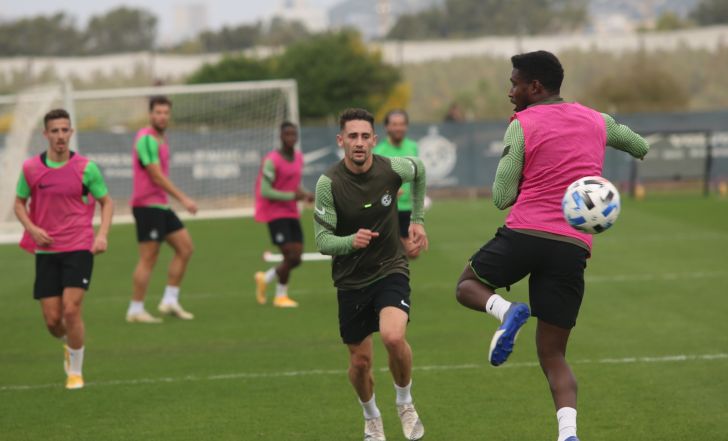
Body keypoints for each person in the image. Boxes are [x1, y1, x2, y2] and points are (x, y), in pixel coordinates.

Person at [454, 50, 650, 441]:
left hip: (525, 233)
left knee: (467, 286)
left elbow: (501, 196)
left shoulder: (522, 123)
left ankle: (507, 311)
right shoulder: (596, 119)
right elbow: (640, 146)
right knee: (553, 354)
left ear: (535, 86)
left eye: (514, 84)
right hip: (572, 245)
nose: (510, 92)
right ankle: (568, 434)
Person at [314, 108, 429, 441]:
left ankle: (405, 402)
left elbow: (420, 170)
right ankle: (371, 417)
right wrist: (350, 241)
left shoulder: (391, 168)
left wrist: (417, 219)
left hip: (390, 268)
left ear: (374, 140)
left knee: (393, 336)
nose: (359, 143)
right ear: (341, 140)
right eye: (353, 136)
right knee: (360, 363)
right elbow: (322, 241)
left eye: (365, 136)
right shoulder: (328, 184)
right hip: (351, 281)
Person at [14, 109, 114, 390]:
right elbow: (19, 203)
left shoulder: (86, 168)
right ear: (45, 134)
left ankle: (76, 373)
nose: (60, 136)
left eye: (64, 130)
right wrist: (32, 229)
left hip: (79, 246)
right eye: (55, 131)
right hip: (46, 250)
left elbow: (107, 202)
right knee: (52, 321)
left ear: (71, 132)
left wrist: (102, 235)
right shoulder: (31, 168)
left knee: (71, 310)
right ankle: (70, 346)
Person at [126, 96, 197, 323]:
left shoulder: (160, 139)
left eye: (166, 113)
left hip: (160, 205)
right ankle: (135, 309)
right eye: (158, 112)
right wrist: (183, 199)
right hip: (147, 206)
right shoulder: (146, 139)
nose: (162, 117)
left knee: (185, 248)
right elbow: (155, 176)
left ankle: (170, 300)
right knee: (148, 258)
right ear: (150, 115)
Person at [253, 121, 314, 308]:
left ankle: (266, 279)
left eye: (293, 134)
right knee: (290, 256)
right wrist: (292, 196)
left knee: (297, 257)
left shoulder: (299, 158)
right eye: (287, 134)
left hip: (292, 212)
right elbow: (265, 191)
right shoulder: (271, 160)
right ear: (280, 136)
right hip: (275, 213)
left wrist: (305, 194)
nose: (291, 138)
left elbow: (294, 185)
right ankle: (280, 295)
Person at [373, 109, 422, 259]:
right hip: (388, 209)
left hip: (409, 209)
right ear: (387, 127)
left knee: (413, 252)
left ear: (406, 126)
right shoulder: (379, 150)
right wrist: (388, 189)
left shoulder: (413, 147)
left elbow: (418, 175)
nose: (398, 128)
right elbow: (372, 181)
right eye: (394, 124)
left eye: (401, 124)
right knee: (392, 253)